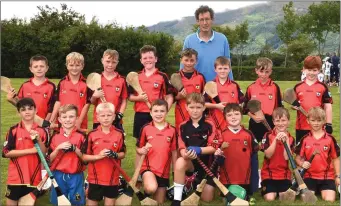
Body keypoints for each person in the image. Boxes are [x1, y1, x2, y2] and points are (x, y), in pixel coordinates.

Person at [171, 93, 221, 206]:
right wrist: (186, 154)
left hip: (207, 166)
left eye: (198, 107)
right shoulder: (183, 126)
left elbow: (214, 147)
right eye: (192, 107)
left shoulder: (210, 125)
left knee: (206, 198)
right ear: (186, 107)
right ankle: (177, 199)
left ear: (204, 107)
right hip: (191, 164)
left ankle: (192, 184)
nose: (195, 111)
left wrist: (198, 150)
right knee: (179, 162)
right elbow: (182, 147)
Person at [243, 57, 282, 194]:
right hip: (255, 123)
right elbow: (245, 108)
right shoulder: (251, 87)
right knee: (253, 150)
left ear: (271, 72)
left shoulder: (275, 87)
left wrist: (277, 124)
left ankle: (269, 177)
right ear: (256, 71)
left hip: (270, 122)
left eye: (267, 71)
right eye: (261, 71)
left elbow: (279, 107)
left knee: (269, 150)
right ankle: (253, 177)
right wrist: (254, 117)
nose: (264, 74)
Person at [2, 98, 48, 206]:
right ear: (18, 113)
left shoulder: (42, 131)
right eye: (23, 109)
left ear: (35, 111)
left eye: (30, 109)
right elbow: (6, 153)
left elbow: (44, 153)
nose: (27, 112)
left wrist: (39, 140)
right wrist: (31, 150)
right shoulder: (13, 130)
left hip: (34, 177)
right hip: (15, 178)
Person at [82, 102, 126, 206]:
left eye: (109, 115)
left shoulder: (119, 134)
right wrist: (99, 156)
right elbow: (84, 157)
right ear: (97, 117)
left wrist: (115, 155)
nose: (106, 118)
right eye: (102, 115)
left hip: (112, 179)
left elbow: (123, 154)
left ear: (114, 116)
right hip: (95, 179)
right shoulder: (92, 134)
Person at [137, 99, 178, 204]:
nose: (159, 114)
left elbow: (174, 152)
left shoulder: (172, 130)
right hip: (148, 169)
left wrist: (174, 172)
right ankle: (146, 190)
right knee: (151, 188)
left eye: (162, 111)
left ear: (166, 112)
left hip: (164, 172)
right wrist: (142, 150)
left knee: (159, 202)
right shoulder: (145, 128)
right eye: (156, 111)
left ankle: (152, 190)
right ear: (151, 113)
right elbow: (138, 149)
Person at [295, 107, 340, 202]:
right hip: (309, 176)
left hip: (327, 176)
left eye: (319, 120)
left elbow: (335, 159)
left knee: (330, 199)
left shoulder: (330, 139)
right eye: (313, 120)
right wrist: (302, 164)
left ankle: (324, 190)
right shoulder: (305, 139)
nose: (316, 123)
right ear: (308, 121)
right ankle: (312, 189)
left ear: (324, 121)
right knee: (306, 200)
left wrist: (338, 176)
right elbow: (298, 158)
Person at [216, 103, 258, 201]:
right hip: (226, 178)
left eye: (236, 114)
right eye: (229, 115)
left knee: (243, 199)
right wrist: (219, 152)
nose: (233, 117)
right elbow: (216, 157)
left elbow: (254, 158)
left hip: (244, 178)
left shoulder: (248, 134)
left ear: (241, 115)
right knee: (227, 201)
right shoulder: (221, 134)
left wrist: (254, 183)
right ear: (225, 117)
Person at [48, 104, 87, 205]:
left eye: (71, 116)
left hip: (76, 175)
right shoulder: (55, 136)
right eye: (64, 117)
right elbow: (48, 160)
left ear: (77, 118)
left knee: (77, 201)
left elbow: (86, 160)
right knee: (59, 201)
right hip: (58, 175)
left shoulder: (82, 136)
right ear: (59, 119)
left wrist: (75, 149)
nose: (68, 120)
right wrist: (57, 149)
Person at [182, 5, 233, 82]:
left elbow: (228, 64)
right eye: (202, 20)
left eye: (207, 19)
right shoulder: (189, 40)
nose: (205, 23)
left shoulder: (222, 39)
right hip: (195, 86)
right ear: (197, 21)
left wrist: (231, 84)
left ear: (212, 19)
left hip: (218, 87)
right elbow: (183, 65)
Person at [293, 56, 333, 144]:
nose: (311, 73)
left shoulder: (323, 87)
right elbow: (293, 103)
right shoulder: (298, 87)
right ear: (303, 69)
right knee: (301, 154)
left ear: (319, 70)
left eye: (314, 70)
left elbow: (328, 106)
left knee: (318, 151)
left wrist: (329, 124)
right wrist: (294, 107)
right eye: (309, 70)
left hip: (318, 126)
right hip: (301, 127)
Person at [50, 52, 92, 131]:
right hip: (62, 123)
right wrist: (51, 120)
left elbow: (87, 105)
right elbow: (58, 102)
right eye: (71, 65)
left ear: (82, 66)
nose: (74, 68)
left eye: (77, 65)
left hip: (79, 124)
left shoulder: (87, 84)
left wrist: (79, 121)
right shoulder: (62, 82)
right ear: (67, 66)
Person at [260, 107, 295, 201]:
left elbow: (286, 157)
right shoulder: (268, 135)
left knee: (285, 198)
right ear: (273, 122)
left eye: (283, 120)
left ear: (288, 122)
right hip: (269, 174)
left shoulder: (291, 138)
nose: (280, 123)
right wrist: (275, 140)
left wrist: (286, 140)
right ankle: (266, 187)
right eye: (277, 121)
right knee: (270, 198)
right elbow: (268, 155)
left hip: (284, 174)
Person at [6, 55, 56, 121]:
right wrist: (11, 99)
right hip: (27, 123)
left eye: (42, 66)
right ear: (31, 69)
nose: (39, 69)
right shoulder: (25, 86)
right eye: (35, 67)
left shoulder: (51, 86)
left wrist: (45, 123)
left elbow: (52, 108)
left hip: (44, 123)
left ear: (46, 68)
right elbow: (20, 104)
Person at [90, 49, 128, 131]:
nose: (110, 65)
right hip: (99, 119)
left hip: (115, 119)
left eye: (113, 62)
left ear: (117, 63)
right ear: (102, 61)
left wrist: (120, 115)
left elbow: (124, 100)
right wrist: (94, 96)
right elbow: (92, 102)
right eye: (107, 61)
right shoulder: (97, 79)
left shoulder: (121, 80)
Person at [205, 56, 244, 131]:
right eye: (220, 68)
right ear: (215, 69)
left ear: (229, 69)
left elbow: (241, 103)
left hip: (232, 123)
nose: (222, 71)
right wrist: (217, 106)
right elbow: (204, 104)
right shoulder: (210, 85)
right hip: (215, 122)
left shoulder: (235, 85)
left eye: (225, 68)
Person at [174, 48, 205, 131]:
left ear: (196, 61)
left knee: (197, 137)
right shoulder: (176, 76)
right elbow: (170, 97)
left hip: (197, 114)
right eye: (186, 60)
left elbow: (204, 97)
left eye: (192, 60)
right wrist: (178, 96)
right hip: (181, 113)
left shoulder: (200, 77)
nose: (189, 63)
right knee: (181, 137)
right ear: (181, 60)